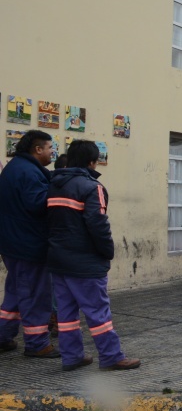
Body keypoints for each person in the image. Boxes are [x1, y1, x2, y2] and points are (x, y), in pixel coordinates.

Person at [46, 140, 140, 371]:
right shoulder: (92, 187)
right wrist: (107, 251)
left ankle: (72, 357)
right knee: (98, 312)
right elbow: (98, 224)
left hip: (58, 259)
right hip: (85, 261)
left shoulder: (54, 184)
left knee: (66, 314)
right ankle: (110, 356)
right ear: (92, 162)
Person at [0, 130, 59, 357]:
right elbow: (38, 204)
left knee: (15, 294)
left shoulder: (15, 168)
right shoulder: (29, 173)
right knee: (35, 294)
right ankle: (37, 344)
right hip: (28, 244)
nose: (52, 152)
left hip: (13, 243)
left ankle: (3, 336)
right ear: (38, 149)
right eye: (49, 148)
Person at [46, 153, 70, 338]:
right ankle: (57, 319)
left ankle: (54, 318)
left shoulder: (47, 184)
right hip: (59, 243)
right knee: (57, 285)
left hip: (50, 241)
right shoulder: (62, 187)